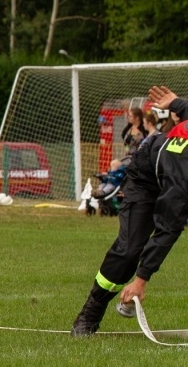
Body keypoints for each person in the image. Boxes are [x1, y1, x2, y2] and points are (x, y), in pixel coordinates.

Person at [71, 85, 188, 336]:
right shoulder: (183, 174)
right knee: (129, 251)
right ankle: (91, 312)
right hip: (146, 179)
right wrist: (140, 279)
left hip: (170, 174)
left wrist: (177, 103)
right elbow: (169, 225)